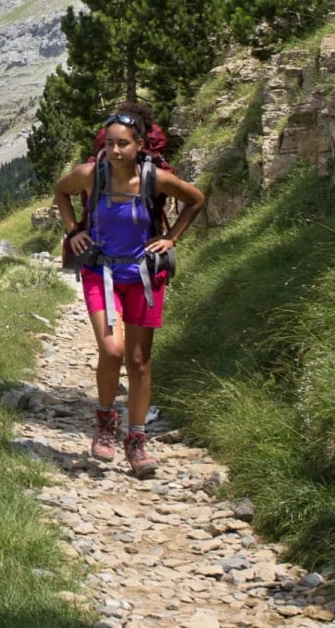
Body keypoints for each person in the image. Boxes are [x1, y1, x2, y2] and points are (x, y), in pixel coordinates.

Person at [52, 108, 205, 478]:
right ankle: (105, 422)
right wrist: (74, 230)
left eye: (123, 144)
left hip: (143, 278)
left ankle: (136, 442)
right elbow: (61, 191)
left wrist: (171, 238)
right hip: (100, 271)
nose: (115, 151)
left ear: (139, 145)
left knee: (138, 361)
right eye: (109, 144)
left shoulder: (157, 179)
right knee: (112, 349)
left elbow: (196, 200)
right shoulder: (90, 175)